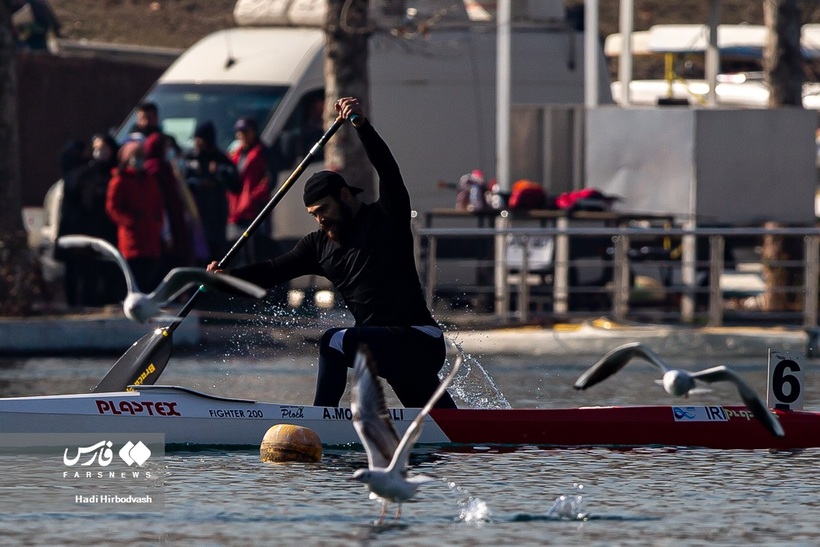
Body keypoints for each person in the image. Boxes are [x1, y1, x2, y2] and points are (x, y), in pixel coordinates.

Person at [209, 97, 457, 409]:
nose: (320, 218)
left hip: (419, 341)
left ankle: (319, 422)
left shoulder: (386, 218)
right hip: (384, 348)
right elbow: (270, 272)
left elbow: (387, 169)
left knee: (333, 341)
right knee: (439, 430)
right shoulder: (318, 246)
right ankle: (477, 435)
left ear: (344, 195)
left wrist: (360, 125)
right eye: (314, 214)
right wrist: (224, 279)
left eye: (324, 209)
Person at [106, 139, 165, 293]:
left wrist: (158, 222)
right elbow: (113, 207)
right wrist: (129, 221)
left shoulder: (149, 179)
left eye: (141, 155)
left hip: (150, 236)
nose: (139, 160)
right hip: (131, 237)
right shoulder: (120, 180)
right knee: (134, 273)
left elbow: (158, 204)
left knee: (150, 272)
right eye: (135, 155)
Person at [184, 121, 240, 262]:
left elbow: (236, 185)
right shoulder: (190, 158)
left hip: (216, 215)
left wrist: (219, 175)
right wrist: (197, 183)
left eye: (200, 139)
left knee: (216, 252)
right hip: (194, 214)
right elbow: (181, 181)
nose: (197, 142)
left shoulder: (220, 159)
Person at [144, 132, 194, 270]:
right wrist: (166, 232)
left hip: (173, 223)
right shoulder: (155, 170)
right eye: (166, 147)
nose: (169, 150)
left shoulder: (166, 168)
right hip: (165, 227)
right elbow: (159, 203)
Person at [226, 116, 270, 266]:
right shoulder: (235, 154)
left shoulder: (262, 152)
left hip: (255, 210)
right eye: (239, 132)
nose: (242, 135)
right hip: (237, 211)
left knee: (256, 253)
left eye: (246, 131)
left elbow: (268, 180)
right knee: (239, 255)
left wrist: (253, 197)